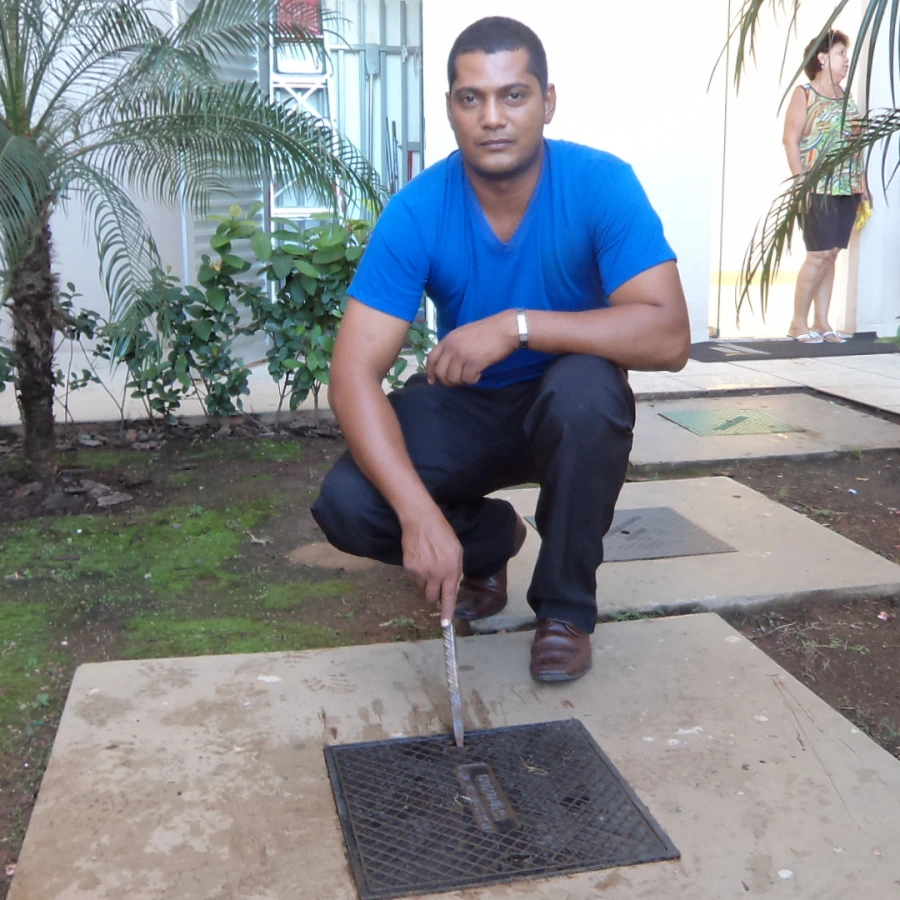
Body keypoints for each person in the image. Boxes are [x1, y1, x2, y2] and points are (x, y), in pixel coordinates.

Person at [311, 16, 690, 682]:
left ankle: (565, 611)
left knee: (586, 394)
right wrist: (419, 516)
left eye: (513, 95)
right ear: (451, 109)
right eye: (472, 98)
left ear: (548, 101)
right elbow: (352, 375)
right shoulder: (418, 209)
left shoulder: (600, 184)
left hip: (568, 401)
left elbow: (668, 335)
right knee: (349, 504)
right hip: (470, 404)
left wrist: (517, 326)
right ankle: (489, 542)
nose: (492, 117)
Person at [783, 29, 869, 344]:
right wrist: (800, 184)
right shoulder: (804, 94)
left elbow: (857, 145)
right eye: (840, 53)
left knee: (831, 254)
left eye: (846, 54)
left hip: (848, 187)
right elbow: (790, 140)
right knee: (817, 254)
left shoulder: (847, 98)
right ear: (821, 58)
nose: (846, 59)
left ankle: (821, 321)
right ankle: (797, 323)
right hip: (816, 188)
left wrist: (863, 185)